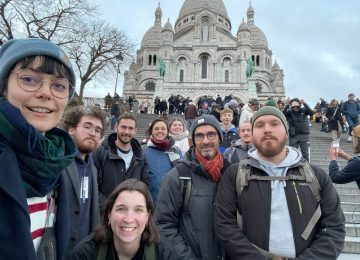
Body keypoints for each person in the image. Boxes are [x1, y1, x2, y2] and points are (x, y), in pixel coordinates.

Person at [214, 106, 345, 259]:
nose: (267, 129)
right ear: (253, 133)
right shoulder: (234, 174)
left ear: (286, 131)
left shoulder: (316, 175)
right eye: (259, 125)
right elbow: (224, 224)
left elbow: (334, 227)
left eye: (274, 124)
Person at [0, 38, 78, 259]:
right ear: (3, 86)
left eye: (59, 85)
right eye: (29, 79)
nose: (46, 93)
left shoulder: (57, 162)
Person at [155, 115, 231, 259]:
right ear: (193, 141)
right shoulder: (177, 176)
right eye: (199, 136)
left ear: (219, 138)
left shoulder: (231, 172)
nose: (206, 141)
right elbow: (163, 225)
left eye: (211, 134)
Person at [71, 179, 160, 260]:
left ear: (148, 216)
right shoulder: (84, 254)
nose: (129, 219)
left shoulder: (165, 254)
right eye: (121, 209)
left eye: (138, 210)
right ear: (109, 214)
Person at [61, 105, 107, 257]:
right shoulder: (57, 163)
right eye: (87, 127)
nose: (93, 133)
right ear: (71, 129)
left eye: (98, 130)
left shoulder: (92, 168)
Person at [93, 113, 150, 211]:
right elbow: (93, 185)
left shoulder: (141, 156)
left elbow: (145, 185)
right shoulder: (100, 153)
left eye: (130, 128)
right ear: (116, 127)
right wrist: (109, 207)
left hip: (131, 213)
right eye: (123, 127)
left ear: (135, 131)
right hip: (105, 212)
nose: (127, 132)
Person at [143, 118, 182, 206]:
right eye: (156, 129)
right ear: (151, 131)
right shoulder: (143, 150)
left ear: (167, 131)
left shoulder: (176, 150)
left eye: (163, 129)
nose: (160, 131)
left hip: (171, 200)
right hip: (149, 201)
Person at [328, 123, 360, 189]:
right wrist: (346, 156)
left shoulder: (357, 164)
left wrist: (333, 159)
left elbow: (335, 177)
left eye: (354, 137)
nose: (352, 141)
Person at [283, 98, 314, 162]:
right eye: (293, 106)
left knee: (305, 154)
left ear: (299, 105)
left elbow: (311, 113)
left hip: (304, 134)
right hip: (293, 135)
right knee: (292, 154)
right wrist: (287, 105)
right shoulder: (289, 112)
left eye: (296, 106)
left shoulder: (304, 110)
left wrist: (304, 103)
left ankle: (307, 167)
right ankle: (293, 168)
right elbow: (283, 114)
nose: (295, 108)